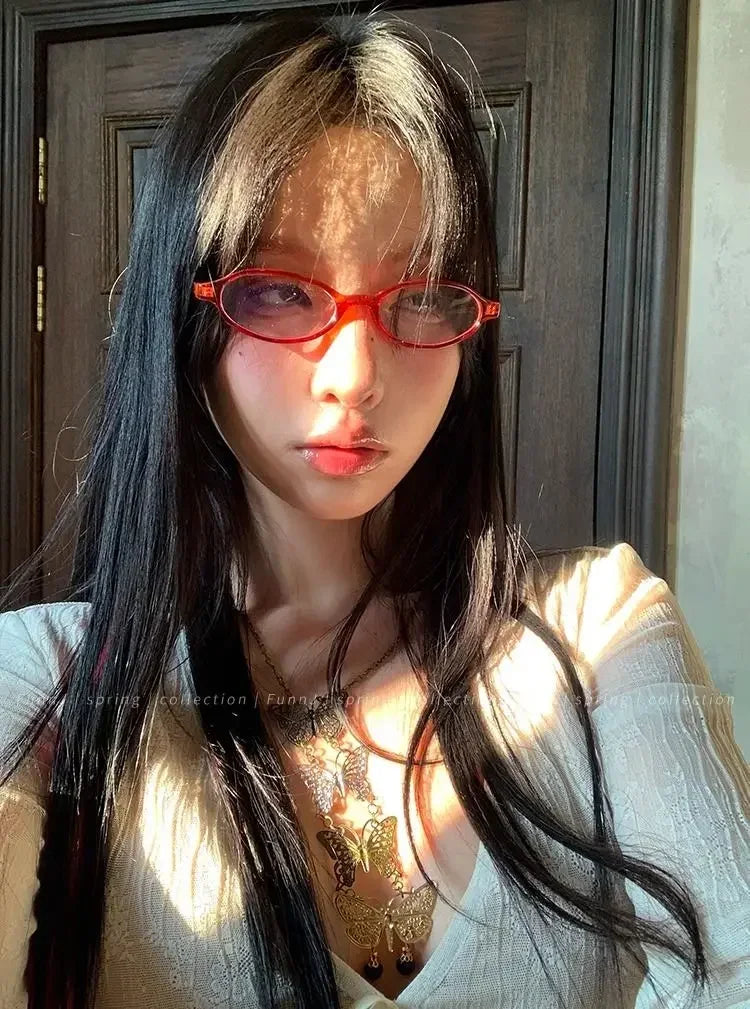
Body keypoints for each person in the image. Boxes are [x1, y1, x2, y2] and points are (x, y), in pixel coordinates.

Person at [0, 10, 748, 1009]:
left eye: (423, 295)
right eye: (277, 291)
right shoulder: (49, 679)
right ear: (184, 312)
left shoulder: (598, 631)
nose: (354, 375)